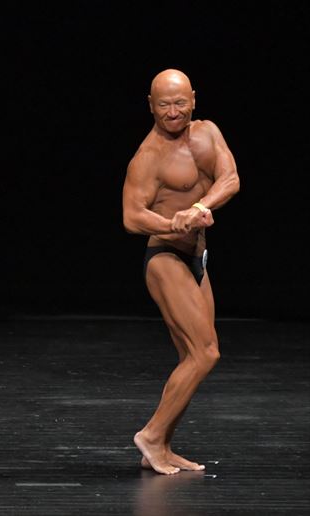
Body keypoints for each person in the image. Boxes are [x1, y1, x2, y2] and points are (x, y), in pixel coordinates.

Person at [122, 69, 240, 474]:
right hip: (165, 257)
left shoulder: (208, 132)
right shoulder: (148, 157)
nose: (172, 112)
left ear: (193, 99)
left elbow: (230, 178)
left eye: (179, 103)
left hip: (196, 258)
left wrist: (200, 207)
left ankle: (163, 445)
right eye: (163, 105)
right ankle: (151, 435)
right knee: (206, 352)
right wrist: (172, 224)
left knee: (192, 356)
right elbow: (131, 216)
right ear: (150, 106)